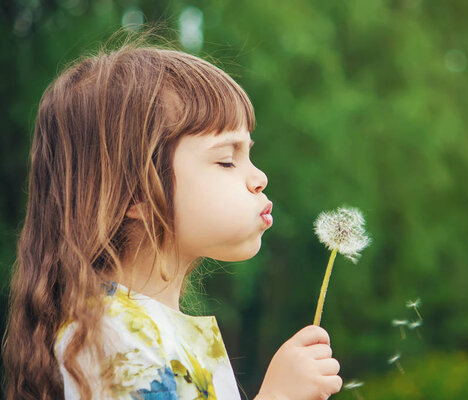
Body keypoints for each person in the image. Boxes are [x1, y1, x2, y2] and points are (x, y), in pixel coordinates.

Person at [1, 32, 342, 400]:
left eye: (248, 155)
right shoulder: (111, 340)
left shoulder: (141, 329)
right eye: (227, 159)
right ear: (136, 193)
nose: (259, 178)